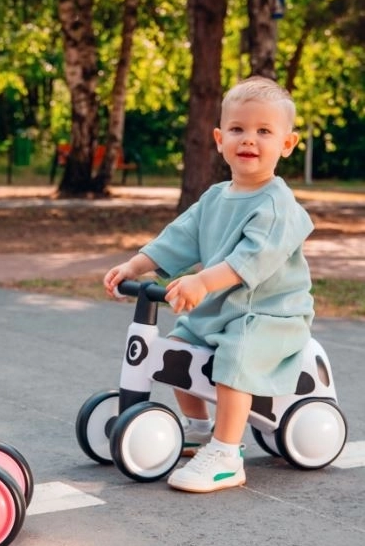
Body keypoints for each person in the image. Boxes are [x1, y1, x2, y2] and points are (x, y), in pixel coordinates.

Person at [104, 76, 314, 493]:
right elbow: (178, 237)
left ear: (286, 145)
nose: (249, 139)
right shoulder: (216, 197)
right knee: (178, 349)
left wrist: (202, 281)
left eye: (264, 131)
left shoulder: (278, 205)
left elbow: (249, 260)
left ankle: (225, 453)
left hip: (270, 314)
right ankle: (198, 428)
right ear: (220, 139)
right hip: (224, 308)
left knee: (235, 356)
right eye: (238, 129)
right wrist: (136, 265)